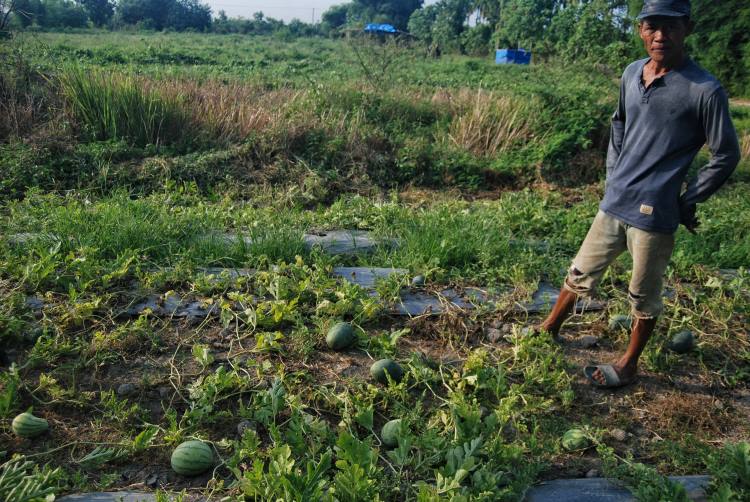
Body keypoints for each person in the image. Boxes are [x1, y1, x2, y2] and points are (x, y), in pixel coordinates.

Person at [534, 0, 741, 388]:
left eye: (670, 27)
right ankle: (549, 328)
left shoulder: (704, 89)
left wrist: (688, 199)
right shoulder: (632, 73)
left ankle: (629, 364)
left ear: (687, 30)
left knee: (642, 293)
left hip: (654, 212)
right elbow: (619, 124)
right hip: (615, 201)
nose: (660, 35)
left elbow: (726, 153)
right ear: (641, 31)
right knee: (580, 271)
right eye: (652, 26)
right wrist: (614, 176)